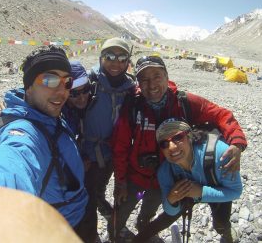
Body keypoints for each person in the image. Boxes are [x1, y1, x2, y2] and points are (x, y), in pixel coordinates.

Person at [0, 45, 88, 234]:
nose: (62, 92)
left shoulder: (47, 111)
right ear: (29, 87)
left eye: (67, 82)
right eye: (49, 79)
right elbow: (15, 161)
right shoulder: (25, 131)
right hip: (61, 227)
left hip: (79, 211)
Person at [112, 55, 247, 242]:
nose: (151, 85)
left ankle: (143, 225)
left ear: (167, 77)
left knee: (155, 210)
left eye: (157, 76)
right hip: (139, 176)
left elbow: (221, 115)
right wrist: (120, 181)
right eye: (144, 79)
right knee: (126, 208)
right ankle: (119, 233)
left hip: (174, 175)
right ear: (138, 84)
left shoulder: (184, 102)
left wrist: (237, 143)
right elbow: (121, 146)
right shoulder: (133, 107)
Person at [81, 37, 136, 242]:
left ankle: (103, 206)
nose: (115, 62)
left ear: (128, 61)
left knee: (103, 186)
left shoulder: (131, 88)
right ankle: (91, 233)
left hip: (117, 151)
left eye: (122, 57)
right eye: (110, 56)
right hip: (90, 152)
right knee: (88, 194)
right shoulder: (88, 82)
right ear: (101, 58)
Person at [156, 118, 242, 243]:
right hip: (192, 192)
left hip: (218, 185)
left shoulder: (220, 153)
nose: (172, 147)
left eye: (178, 137)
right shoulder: (165, 171)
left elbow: (235, 191)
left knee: (220, 223)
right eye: (164, 143)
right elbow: (169, 209)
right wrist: (171, 199)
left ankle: (226, 232)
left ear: (189, 135)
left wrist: (201, 192)